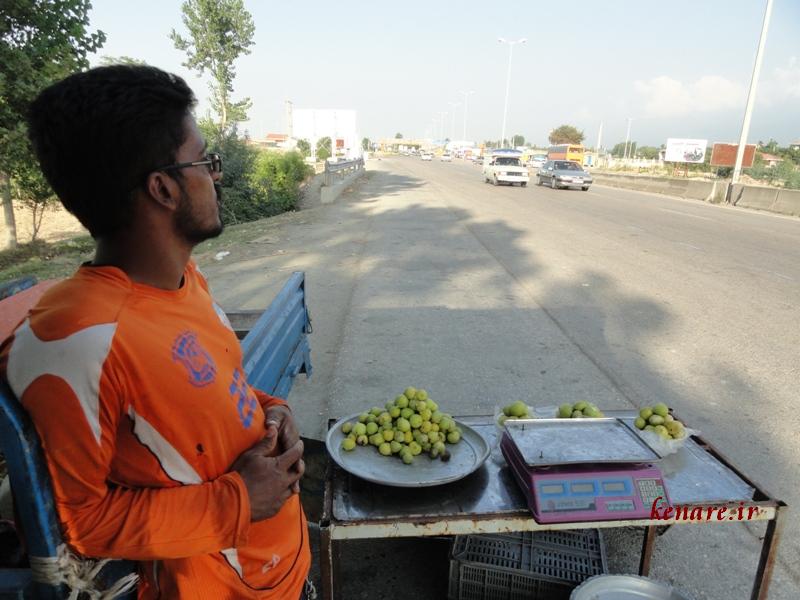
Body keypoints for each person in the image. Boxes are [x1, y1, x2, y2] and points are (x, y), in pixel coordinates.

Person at [0, 65, 311, 599]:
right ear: (163, 188)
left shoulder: (184, 279)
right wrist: (239, 501)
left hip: (282, 563)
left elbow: (215, 390)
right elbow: (85, 524)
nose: (216, 176)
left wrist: (272, 409)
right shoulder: (80, 339)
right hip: (225, 588)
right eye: (206, 162)